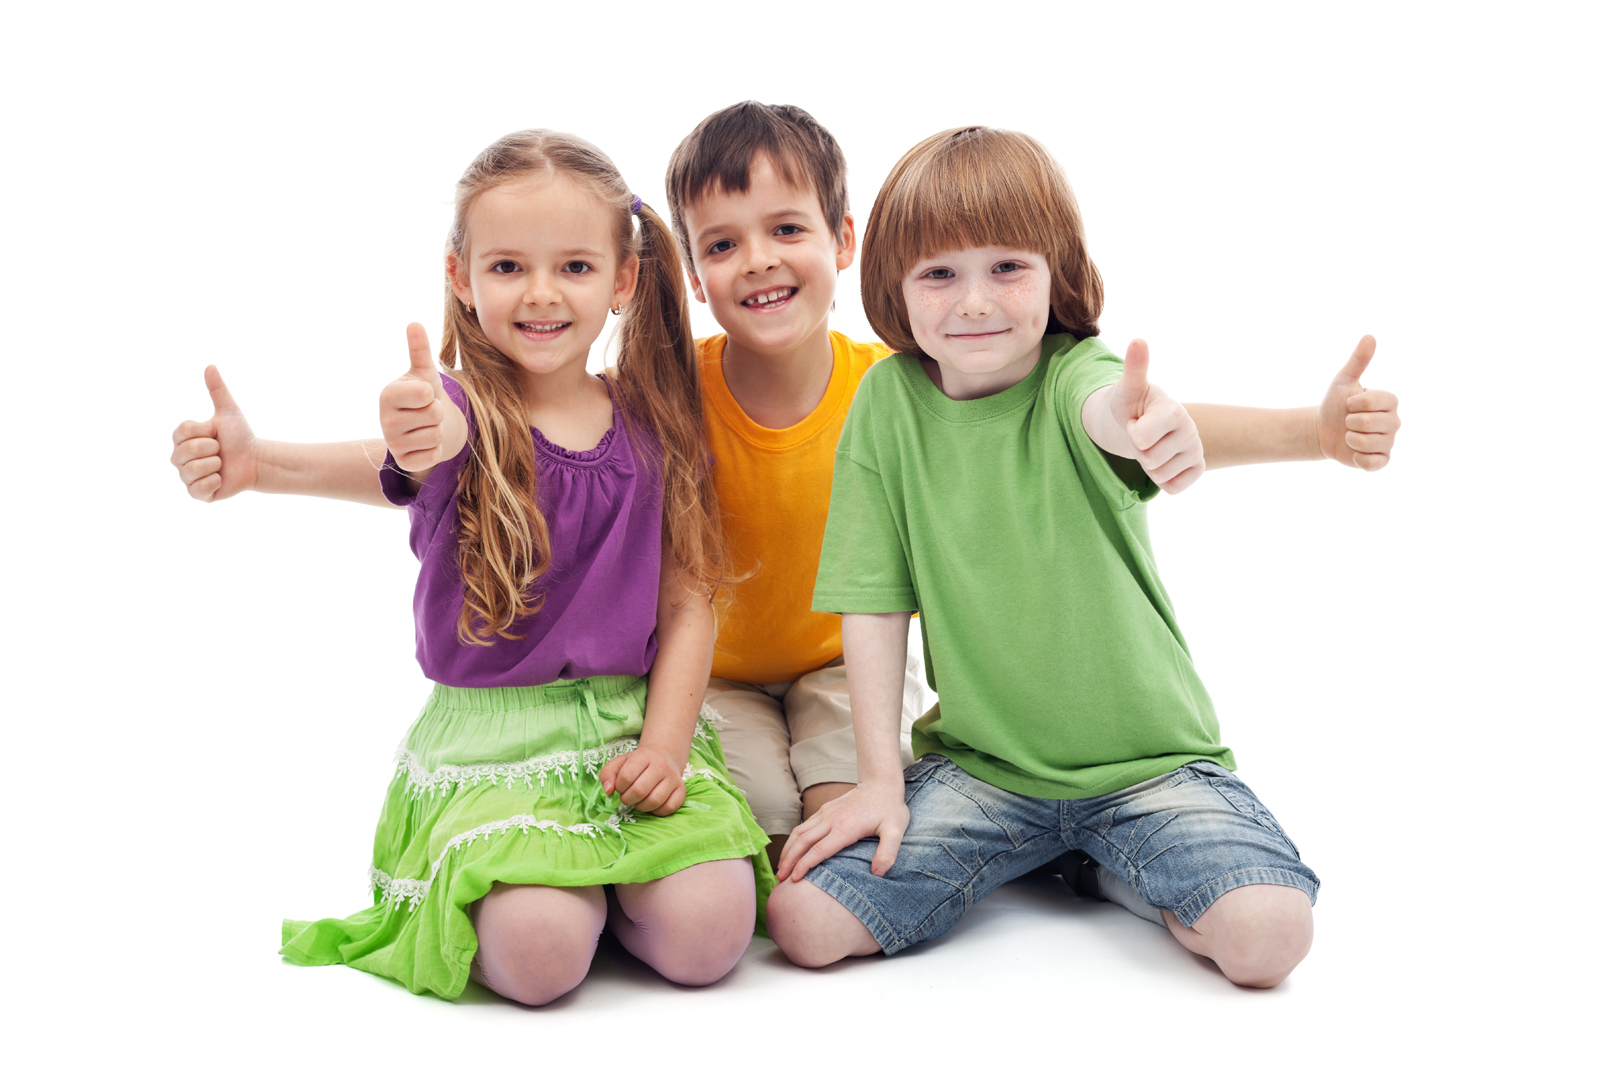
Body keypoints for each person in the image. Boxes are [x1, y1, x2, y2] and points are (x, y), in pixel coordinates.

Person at [171, 102, 1399, 890]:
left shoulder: (904, 382)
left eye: (787, 229)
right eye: (724, 242)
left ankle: (1000, 824)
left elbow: (1126, 416)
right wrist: (269, 460)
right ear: (691, 275)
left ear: (844, 239)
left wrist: (1309, 429)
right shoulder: (660, 393)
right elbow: (487, 456)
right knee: (762, 829)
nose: (760, 260)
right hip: (700, 674)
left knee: (845, 811)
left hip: (836, 665)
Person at [766, 126, 1392, 988]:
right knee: (804, 919)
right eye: (939, 273)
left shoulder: (1075, 373)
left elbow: (1115, 412)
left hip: (1151, 768)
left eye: (1008, 267)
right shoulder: (887, 401)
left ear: (1056, 272)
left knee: (1268, 936)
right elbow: (874, 601)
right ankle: (1041, 855)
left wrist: (1174, 432)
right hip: (985, 771)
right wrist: (880, 780)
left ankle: (1098, 866)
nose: (975, 301)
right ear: (893, 289)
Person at [268, 130, 771, 1005]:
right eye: (507, 268)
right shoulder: (460, 410)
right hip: (498, 744)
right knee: (539, 959)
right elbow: (420, 444)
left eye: (574, 267)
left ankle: (614, 886)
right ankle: (560, 891)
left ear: (621, 280)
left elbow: (690, 604)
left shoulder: (652, 422)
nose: (541, 293)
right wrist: (394, 425)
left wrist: (662, 744)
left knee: (711, 935)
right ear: (461, 276)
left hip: (628, 731)